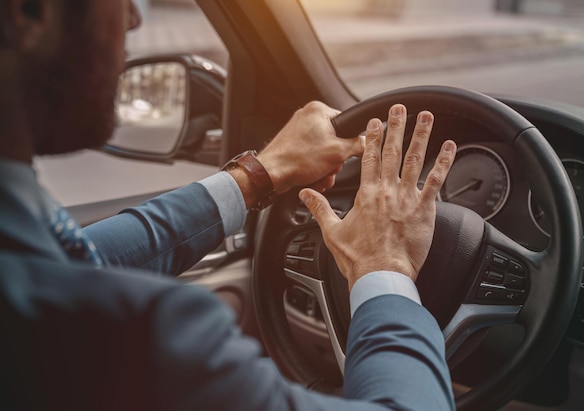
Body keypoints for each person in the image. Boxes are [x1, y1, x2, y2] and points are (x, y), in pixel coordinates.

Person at [0, 0, 457, 410]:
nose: (135, 18)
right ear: (30, 11)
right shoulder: (140, 338)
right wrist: (385, 267)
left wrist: (260, 175)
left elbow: (78, 258)